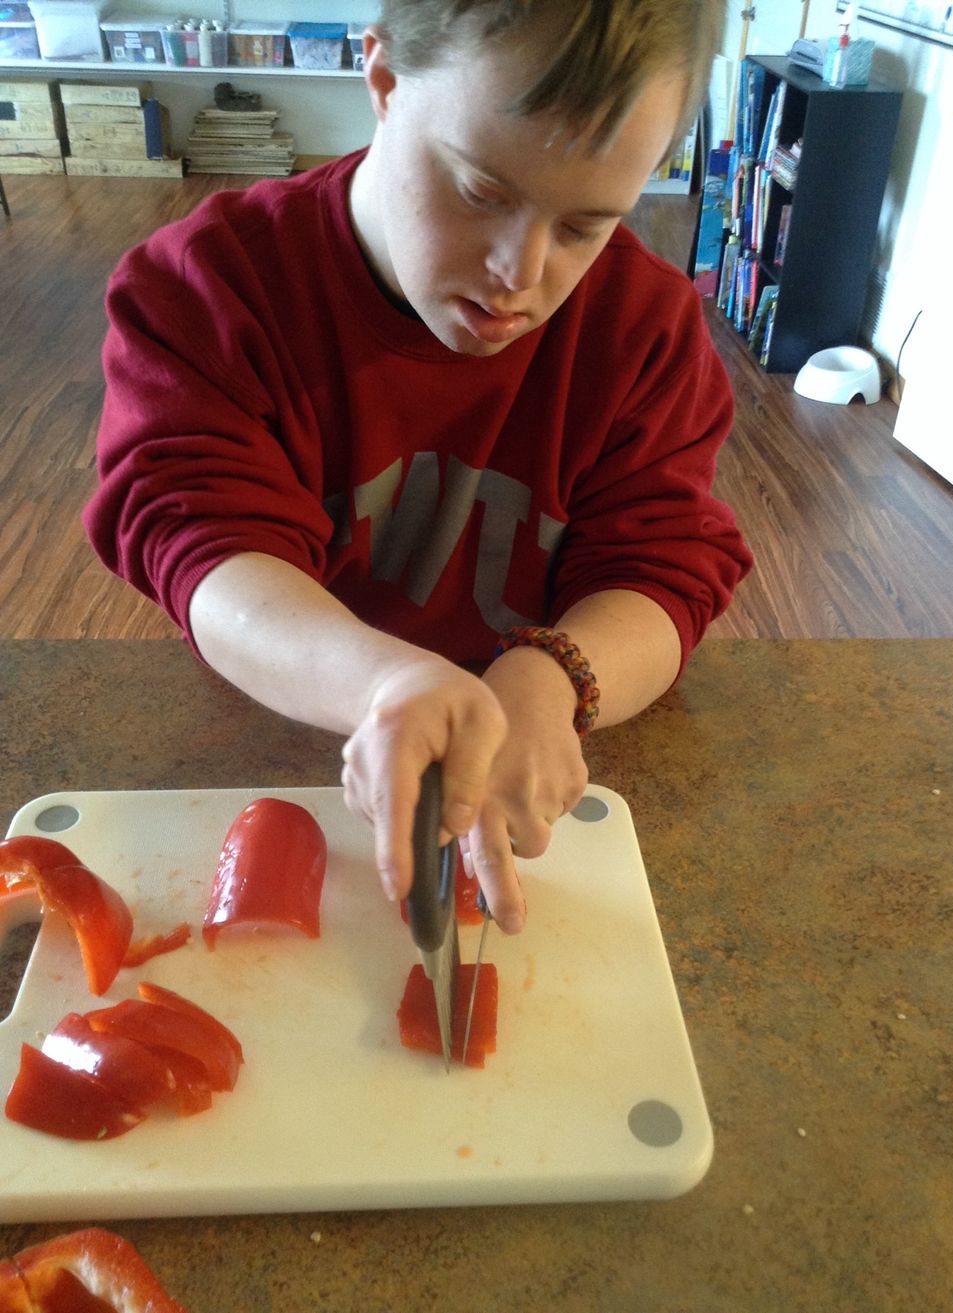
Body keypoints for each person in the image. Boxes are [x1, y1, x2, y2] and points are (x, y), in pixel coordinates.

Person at [83, 0, 753, 936]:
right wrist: (379, 684)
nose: (520, 273)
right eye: (481, 192)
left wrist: (557, 671)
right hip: (283, 713)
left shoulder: (644, 328)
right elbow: (200, 539)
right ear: (385, 81)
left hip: (529, 750)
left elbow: (663, 565)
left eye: (584, 226)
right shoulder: (208, 289)